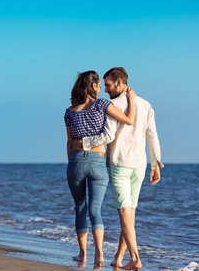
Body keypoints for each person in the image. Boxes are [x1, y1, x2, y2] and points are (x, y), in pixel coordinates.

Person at [74, 67, 163, 270]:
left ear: (119, 82)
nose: (105, 90)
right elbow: (153, 135)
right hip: (139, 165)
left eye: (108, 85)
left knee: (124, 213)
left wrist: (84, 142)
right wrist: (155, 163)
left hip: (119, 164)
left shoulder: (112, 104)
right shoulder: (145, 104)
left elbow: (108, 136)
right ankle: (118, 258)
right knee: (129, 214)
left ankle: (135, 258)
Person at [64, 71, 136, 267]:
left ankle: (83, 255)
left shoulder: (70, 111)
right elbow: (129, 120)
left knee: (80, 208)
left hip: (77, 161)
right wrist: (131, 98)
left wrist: (72, 163)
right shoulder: (102, 104)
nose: (102, 88)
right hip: (98, 160)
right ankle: (100, 255)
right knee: (96, 210)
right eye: (99, 84)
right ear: (94, 86)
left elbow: (70, 143)